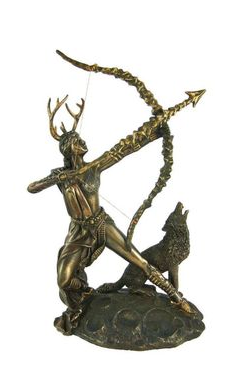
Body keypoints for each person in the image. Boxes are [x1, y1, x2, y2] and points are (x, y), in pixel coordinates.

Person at [27, 96, 194, 334]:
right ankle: (84, 296)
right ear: (69, 147)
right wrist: (57, 178)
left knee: (140, 261)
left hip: (101, 224)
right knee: (64, 279)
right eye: (77, 141)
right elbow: (32, 188)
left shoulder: (94, 167)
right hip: (79, 231)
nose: (82, 142)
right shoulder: (60, 175)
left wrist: (155, 131)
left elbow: (125, 148)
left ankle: (177, 298)